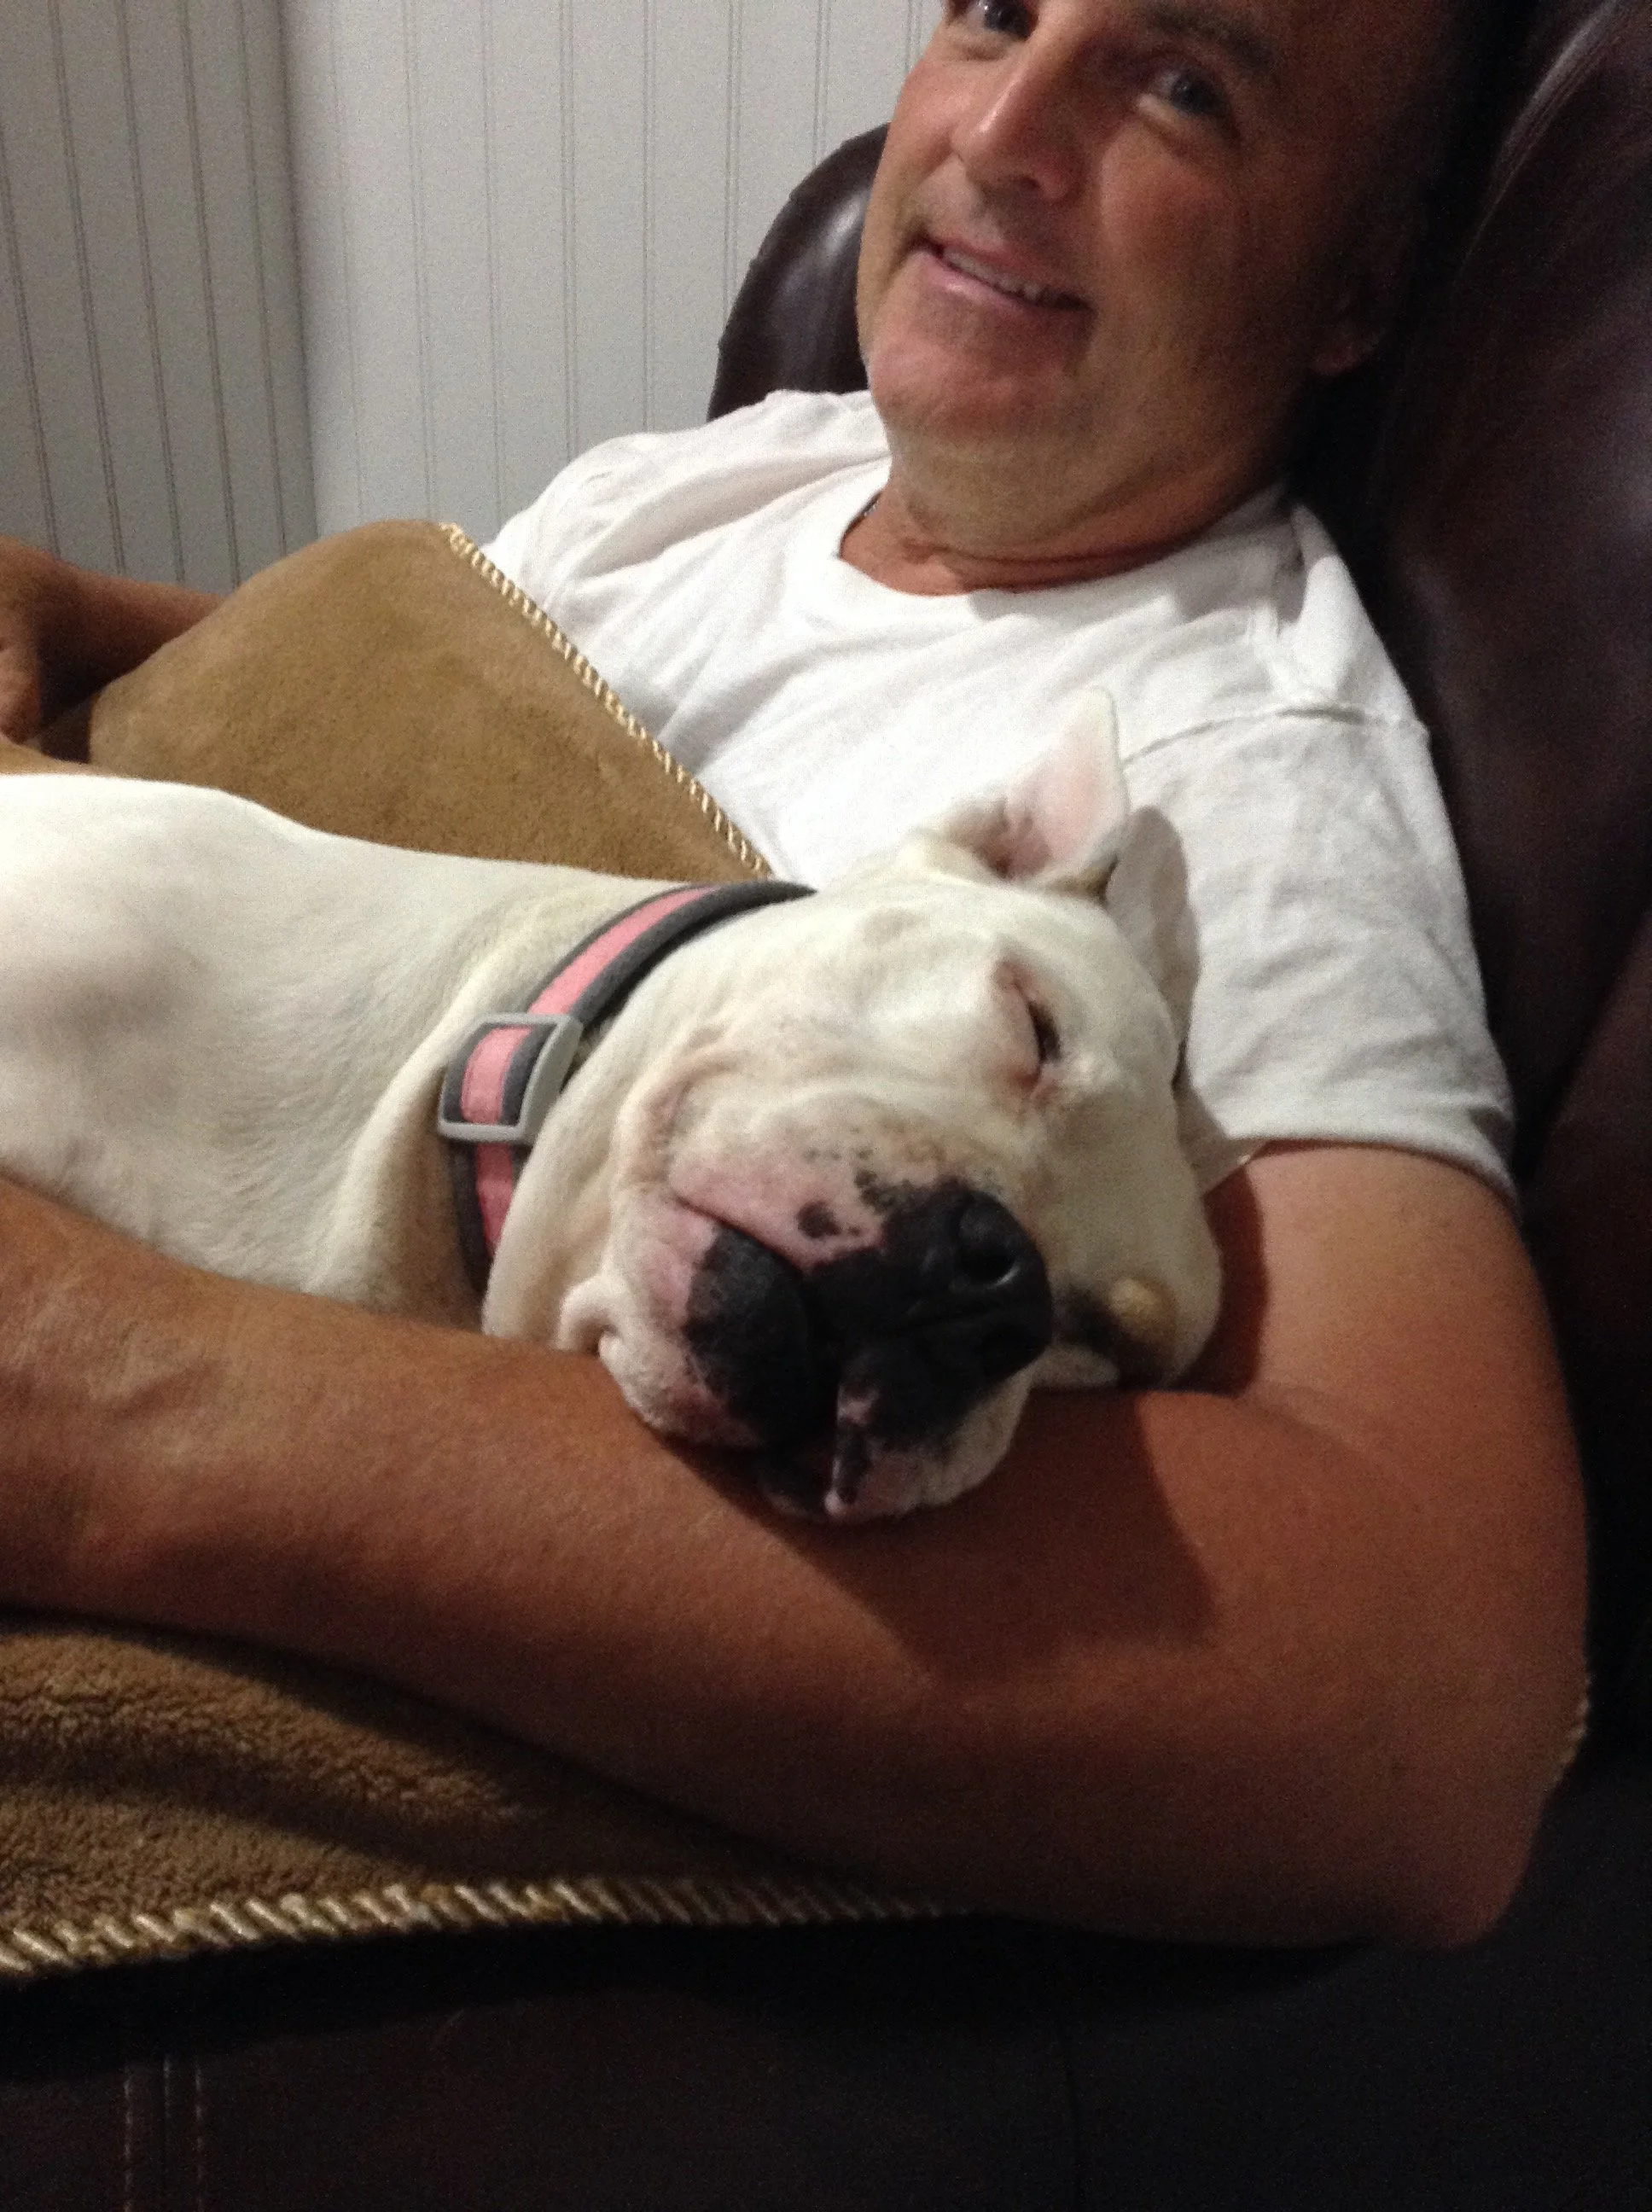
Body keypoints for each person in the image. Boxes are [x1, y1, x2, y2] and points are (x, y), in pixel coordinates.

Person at [0, 0, 1585, 1947]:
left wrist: (104, 1405)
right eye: (996, 14)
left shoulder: (1226, 778)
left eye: (1178, 85)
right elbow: (380, 712)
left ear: (1349, 290)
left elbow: (1417, 1714)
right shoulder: (766, 464)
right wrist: (64, 615)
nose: (1001, 129)